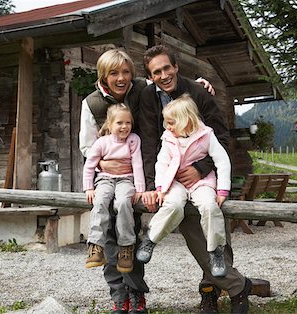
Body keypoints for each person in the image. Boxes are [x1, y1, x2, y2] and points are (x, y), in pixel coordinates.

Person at [79, 48, 215, 313]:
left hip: (136, 177)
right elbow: (87, 147)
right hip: (106, 178)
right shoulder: (92, 103)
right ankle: (119, 297)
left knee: (128, 230)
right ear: (103, 76)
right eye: (114, 73)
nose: (121, 78)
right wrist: (103, 161)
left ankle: (137, 294)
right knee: (109, 235)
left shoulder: (142, 88)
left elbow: (168, 81)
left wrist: (199, 83)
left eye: (126, 72)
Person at [138, 45, 252, 313]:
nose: (164, 75)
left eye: (167, 68)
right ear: (150, 76)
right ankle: (230, 288)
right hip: (172, 181)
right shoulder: (147, 96)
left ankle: (223, 292)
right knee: (194, 235)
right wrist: (155, 186)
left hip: (206, 176)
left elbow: (221, 138)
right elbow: (149, 142)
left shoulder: (198, 92)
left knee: (213, 225)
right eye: (157, 72)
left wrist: (200, 168)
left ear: (176, 66)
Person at [136, 94, 230, 278]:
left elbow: (222, 160)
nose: (167, 127)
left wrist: (222, 190)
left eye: (171, 122)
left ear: (186, 120)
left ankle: (216, 250)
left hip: (202, 182)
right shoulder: (169, 138)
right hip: (175, 182)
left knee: (210, 206)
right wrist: (161, 188)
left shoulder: (206, 135)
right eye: (166, 123)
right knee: (173, 205)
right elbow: (161, 164)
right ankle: (151, 238)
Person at [83, 104, 145, 275]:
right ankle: (96, 246)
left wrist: (139, 188)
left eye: (128, 122)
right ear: (109, 125)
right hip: (104, 179)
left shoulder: (134, 140)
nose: (124, 126)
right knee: (101, 201)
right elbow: (90, 165)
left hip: (126, 179)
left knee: (124, 203)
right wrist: (88, 188)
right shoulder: (102, 142)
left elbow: (137, 164)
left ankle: (126, 247)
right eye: (119, 123)